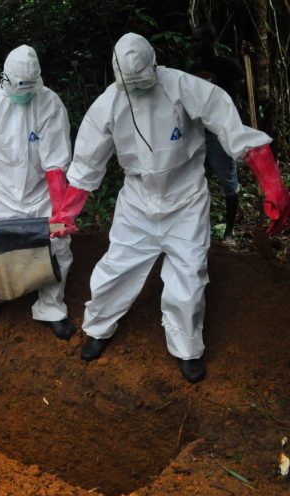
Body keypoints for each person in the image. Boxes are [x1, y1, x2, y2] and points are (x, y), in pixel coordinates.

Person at [51, 33, 290, 383]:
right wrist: (65, 213)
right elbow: (87, 165)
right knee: (116, 269)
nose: (136, 88)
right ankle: (98, 329)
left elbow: (231, 128)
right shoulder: (107, 104)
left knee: (188, 276)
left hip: (186, 198)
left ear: (154, 64)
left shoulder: (183, 86)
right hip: (138, 201)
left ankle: (187, 349)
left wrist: (272, 184)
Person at [0, 45, 77, 341]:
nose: (22, 94)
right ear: (5, 79)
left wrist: (62, 211)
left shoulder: (50, 104)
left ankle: (50, 306)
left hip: (42, 194)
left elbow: (56, 164)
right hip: (2, 193)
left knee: (58, 248)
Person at [191, 23, 245, 245]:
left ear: (210, 41)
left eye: (198, 40)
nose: (194, 45)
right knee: (194, 182)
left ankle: (229, 232)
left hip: (220, 132)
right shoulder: (191, 70)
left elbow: (241, 90)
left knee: (228, 181)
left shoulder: (228, 65)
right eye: (193, 40)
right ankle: (200, 230)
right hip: (197, 134)